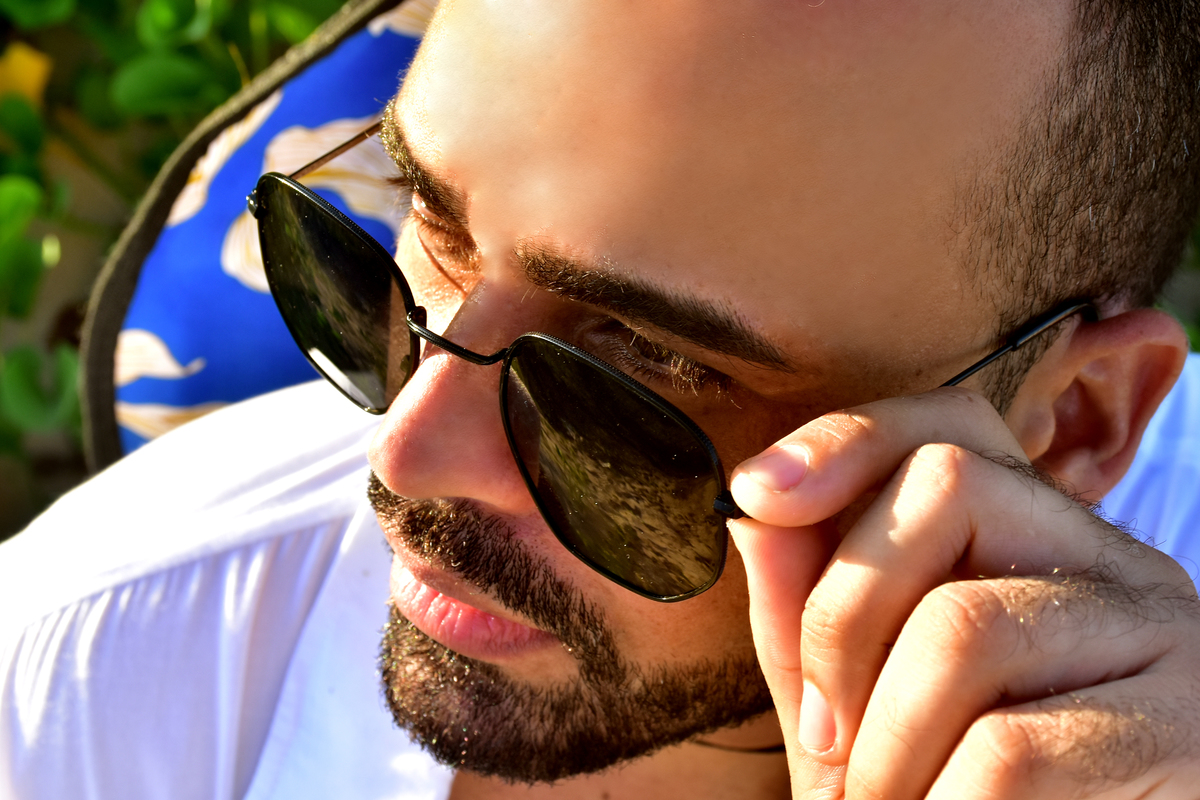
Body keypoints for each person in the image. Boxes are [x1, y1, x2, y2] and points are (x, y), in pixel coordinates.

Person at [4, 1, 1200, 798]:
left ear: (1075, 420)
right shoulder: (78, 686)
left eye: (645, 359)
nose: (407, 450)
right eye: (430, 224)